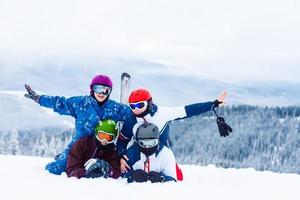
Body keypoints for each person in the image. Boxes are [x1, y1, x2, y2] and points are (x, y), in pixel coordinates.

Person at [24, 74, 133, 175]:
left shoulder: (115, 108)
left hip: (104, 147)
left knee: (112, 172)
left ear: (109, 92)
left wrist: (148, 108)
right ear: (92, 89)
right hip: (79, 147)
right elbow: (60, 103)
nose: (101, 93)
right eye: (97, 89)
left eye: (105, 90)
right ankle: (60, 159)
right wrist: (40, 99)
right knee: (56, 170)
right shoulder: (81, 103)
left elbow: (133, 114)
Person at [118, 88, 227, 180]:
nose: (136, 109)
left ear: (149, 102)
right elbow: (122, 140)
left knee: (177, 179)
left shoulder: (162, 113)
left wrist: (213, 104)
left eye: (140, 105)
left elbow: (188, 110)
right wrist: (122, 156)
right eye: (132, 106)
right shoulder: (130, 120)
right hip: (139, 154)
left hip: (162, 155)